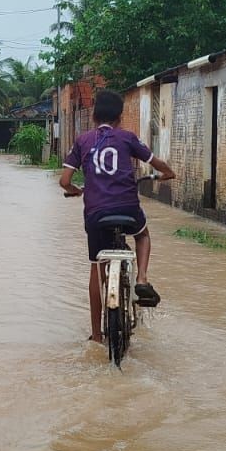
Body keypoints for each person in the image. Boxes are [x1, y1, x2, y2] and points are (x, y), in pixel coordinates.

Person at [60, 89, 176, 343]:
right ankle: (142, 278)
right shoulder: (127, 138)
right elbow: (161, 166)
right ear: (120, 116)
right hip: (128, 209)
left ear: (93, 115)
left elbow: (64, 180)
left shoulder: (83, 140)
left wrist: (75, 190)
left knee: (96, 267)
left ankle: (96, 335)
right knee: (142, 235)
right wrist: (167, 175)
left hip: (95, 214)